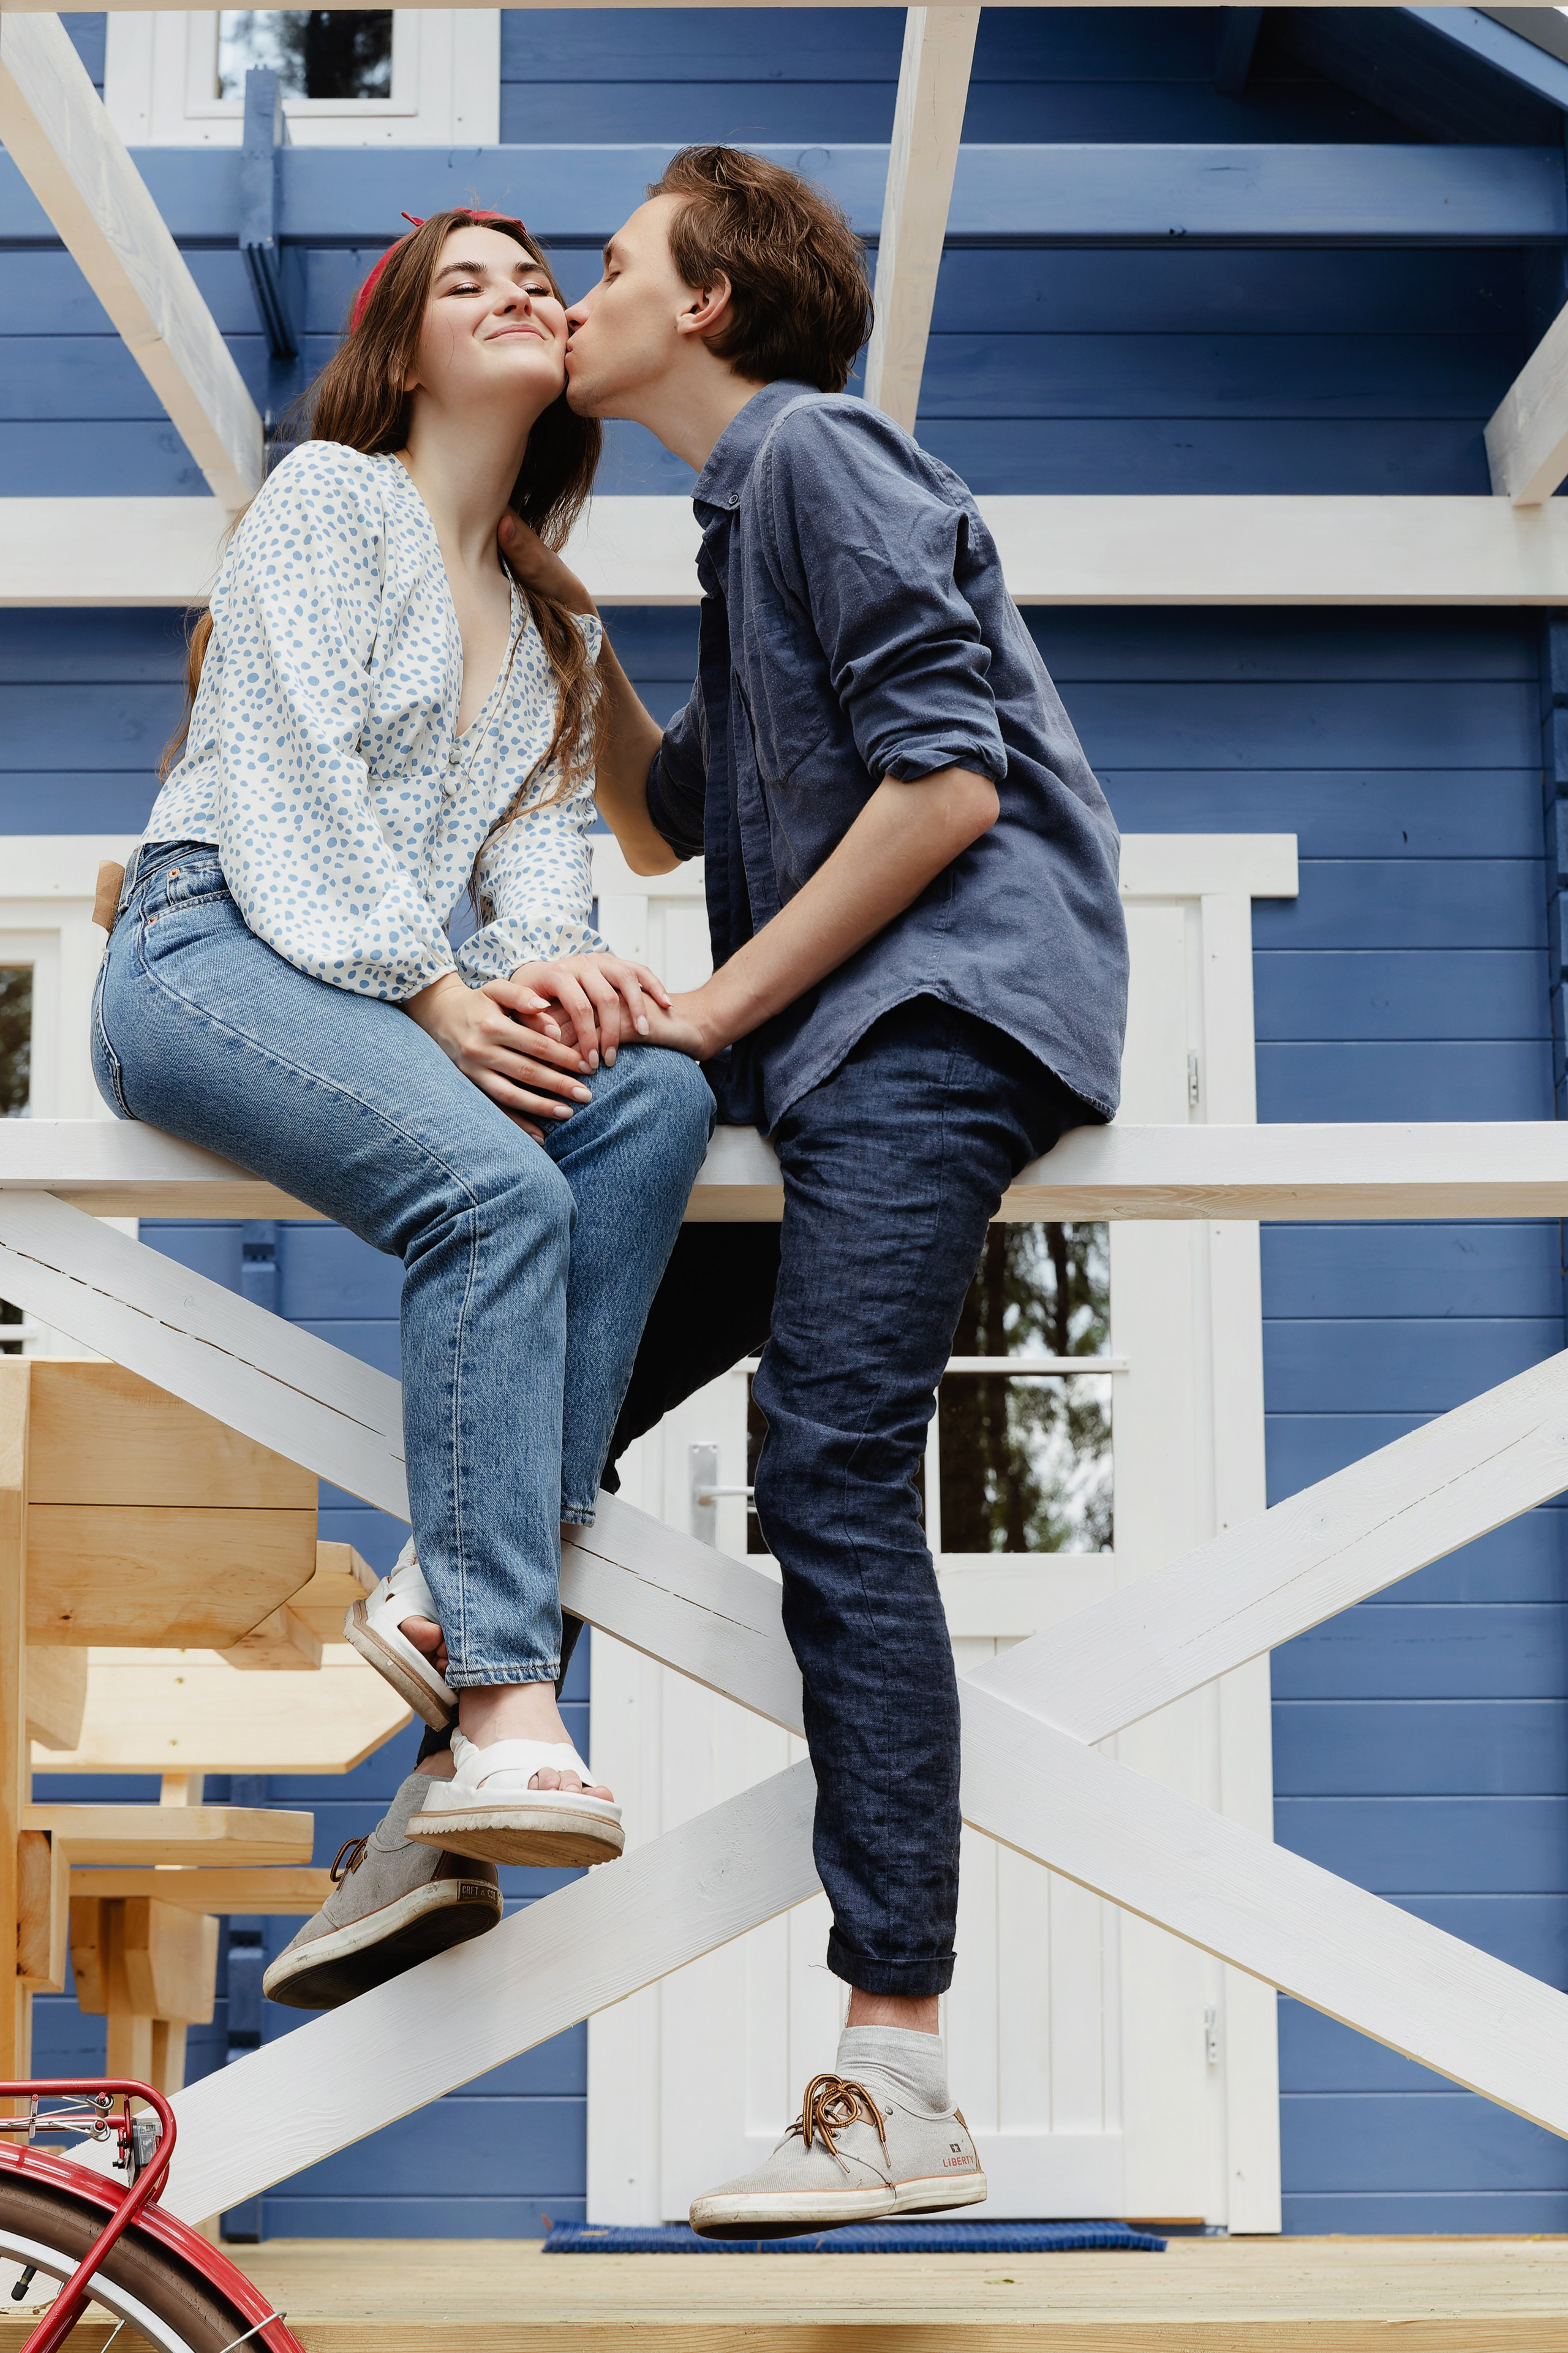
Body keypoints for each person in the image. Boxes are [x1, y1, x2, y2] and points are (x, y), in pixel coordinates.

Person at [89, 209, 715, 2009]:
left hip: (379, 977)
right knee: (498, 1199)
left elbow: (537, 880)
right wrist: (442, 994)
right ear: (405, 351)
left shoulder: (552, 634)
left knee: (653, 1099)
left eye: (540, 279)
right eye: (471, 282)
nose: (521, 293)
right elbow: (282, 794)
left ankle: (451, 1581)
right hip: (214, 943)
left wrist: (562, 979)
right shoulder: (325, 505)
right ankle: (506, 1698)